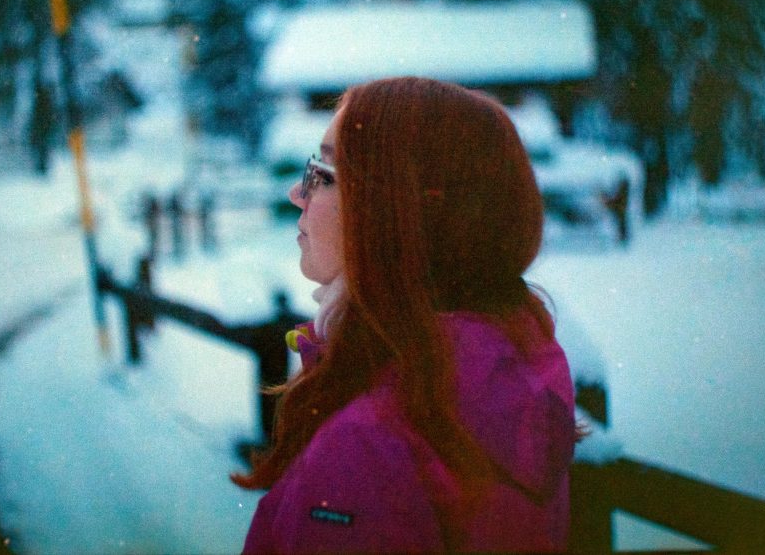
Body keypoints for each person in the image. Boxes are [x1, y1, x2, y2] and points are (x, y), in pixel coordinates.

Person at [234, 77, 576, 553]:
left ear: (394, 210)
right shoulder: (503, 382)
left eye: (324, 174)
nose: (298, 192)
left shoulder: (367, 445)